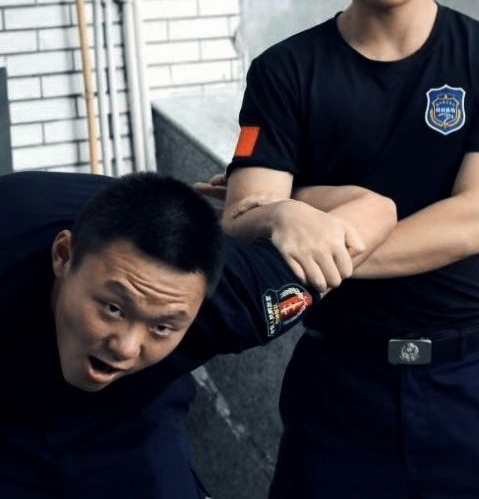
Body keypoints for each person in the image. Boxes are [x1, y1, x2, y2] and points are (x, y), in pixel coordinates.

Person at [215, 0, 479, 497]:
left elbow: (472, 221)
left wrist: (298, 220)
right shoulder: (284, 71)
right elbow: (242, 215)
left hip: (470, 384)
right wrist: (272, 215)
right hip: (338, 390)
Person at [0, 169, 325, 499]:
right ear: (64, 256)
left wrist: (281, 208)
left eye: (161, 327)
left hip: (130, 409)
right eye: (113, 309)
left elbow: (355, 226)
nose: (126, 348)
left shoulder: (240, 297)